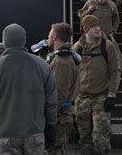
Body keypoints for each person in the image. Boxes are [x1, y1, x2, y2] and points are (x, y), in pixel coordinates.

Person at [0, 23, 57, 155]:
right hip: (34, 133)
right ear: (24, 40)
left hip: (5, 135)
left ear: (4, 41)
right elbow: (51, 101)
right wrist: (51, 126)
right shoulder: (42, 66)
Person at [72, 15, 122, 155]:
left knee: (101, 139)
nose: (98, 28)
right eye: (94, 26)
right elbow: (71, 73)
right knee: (84, 139)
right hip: (81, 99)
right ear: (86, 28)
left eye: (99, 25)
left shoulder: (107, 46)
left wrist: (112, 94)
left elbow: (115, 70)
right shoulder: (77, 48)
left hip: (101, 97)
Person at [45, 23, 80, 155]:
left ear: (54, 36)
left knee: (55, 150)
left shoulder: (62, 61)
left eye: (49, 34)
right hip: (62, 114)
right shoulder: (66, 56)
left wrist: (49, 117)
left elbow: (59, 93)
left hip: (59, 116)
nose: (48, 37)